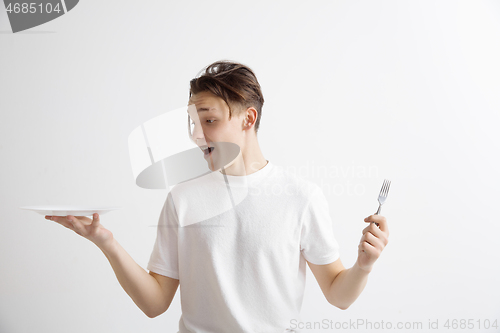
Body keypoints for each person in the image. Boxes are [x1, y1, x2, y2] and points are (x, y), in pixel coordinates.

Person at [45, 60, 389, 333]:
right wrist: (106, 242)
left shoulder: (301, 197)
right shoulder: (183, 199)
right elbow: (155, 304)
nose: (197, 135)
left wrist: (363, 265)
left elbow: (338, 295)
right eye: (193, 123)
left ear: (247, 118)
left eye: (208, 120)